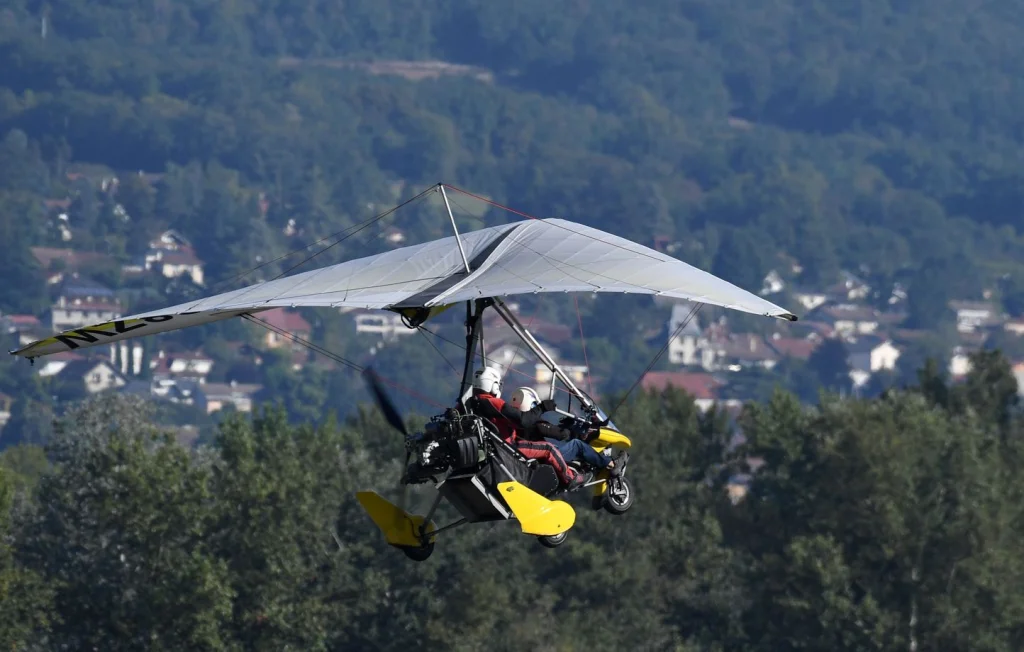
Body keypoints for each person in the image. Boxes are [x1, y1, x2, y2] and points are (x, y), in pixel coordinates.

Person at [465, 366, 585, 490]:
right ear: (493, 385)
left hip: (491, 450)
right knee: (549, 448)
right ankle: (570, 479)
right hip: (508, 448)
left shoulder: (467, 403)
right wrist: (542, 408)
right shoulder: (493, 402)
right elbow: (524, 420)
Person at [509, 386, 628, 477]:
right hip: (547, 460)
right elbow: (560, 434)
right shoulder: (535, 424)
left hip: (536, 462)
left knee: (563, 445)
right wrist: (570, 428)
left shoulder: (516, 426)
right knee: (577, 445)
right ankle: (611, 464)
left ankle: (589, 465)